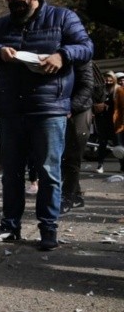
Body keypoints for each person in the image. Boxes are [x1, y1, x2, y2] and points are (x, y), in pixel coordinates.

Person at [0, 0, 93, 251]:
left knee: (49, 171)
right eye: (8, 0)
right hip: (12, 109)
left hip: (49, 108)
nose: (11, 5)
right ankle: (9, 226)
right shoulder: (3, 24)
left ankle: (48, 229)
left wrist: (62, 55)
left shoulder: (63, 18)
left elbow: (86, 47)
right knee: (11, 172)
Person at [60, 62, 94, 213]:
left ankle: (68, 198)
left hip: (79, 109)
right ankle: (77, 195)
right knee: (64, 156)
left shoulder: (80, 54)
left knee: (72, 155)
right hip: (60, 108)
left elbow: (87, 85)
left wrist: (71, 108)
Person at [94, 72, 123, 173]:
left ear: (114, 79)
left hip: (115, 121)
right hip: (102, 120)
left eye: (110, 79)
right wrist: (97, 107)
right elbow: (94, 101)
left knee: (118, 144)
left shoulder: (118, 89)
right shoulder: (101, 90)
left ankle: (122, 165)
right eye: (106, 79)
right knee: (102, 143)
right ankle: (100, 165)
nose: (108, 81)